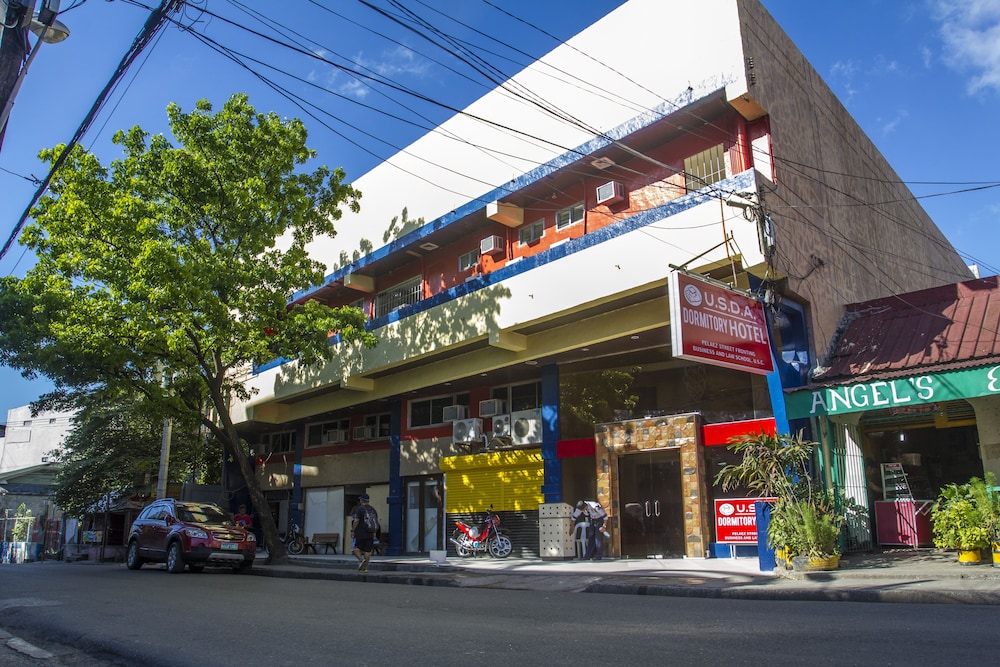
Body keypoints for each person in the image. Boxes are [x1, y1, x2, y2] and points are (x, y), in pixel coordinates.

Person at [351, 493, 380, 573]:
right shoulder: (373, 509)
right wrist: (374, 532)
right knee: (368, 551)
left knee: (355, 549)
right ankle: (365, 568)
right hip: (370, 532)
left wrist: (353, 530)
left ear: (361, 500)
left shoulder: (360, 509)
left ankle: (361, 560)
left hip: (361, 532)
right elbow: (375, 521)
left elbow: (356, 521)